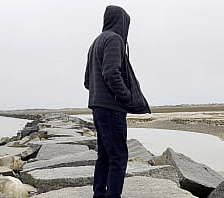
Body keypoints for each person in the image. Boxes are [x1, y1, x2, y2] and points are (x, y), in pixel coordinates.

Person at [84, 5, 150, 198]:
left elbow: (87, 81)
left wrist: (100, 94)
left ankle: (99, 194)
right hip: (112, 109)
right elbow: (111, 72)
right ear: (122, 22)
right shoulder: (114, 39)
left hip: (98, 107)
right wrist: (126, 97)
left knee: (105, 155)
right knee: (118, 157)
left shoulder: (96, 42)